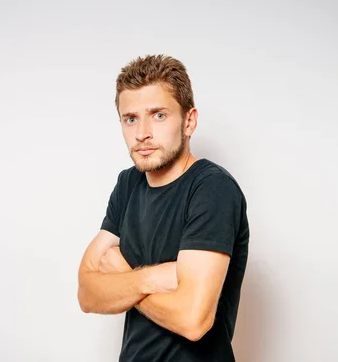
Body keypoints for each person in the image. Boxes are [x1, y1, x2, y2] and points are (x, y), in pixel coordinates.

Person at [77, 54, 250, 361]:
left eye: (158, 115)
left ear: (189, 120)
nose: (142, 132)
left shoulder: (212, 189)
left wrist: (122, 279)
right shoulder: (129, 184)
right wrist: (149, 278)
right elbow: (87, 294)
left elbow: (193, 321)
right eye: (131, 118)